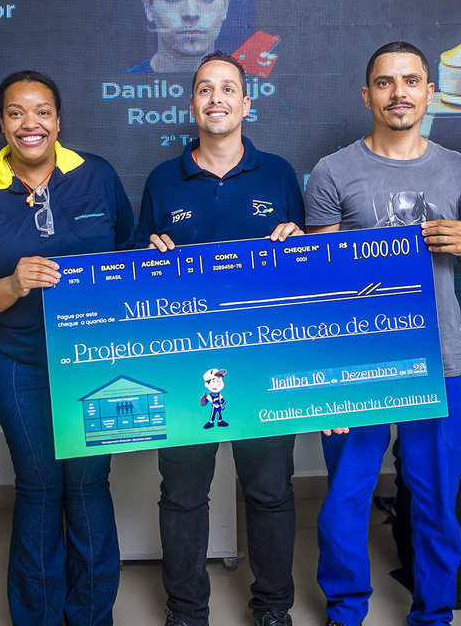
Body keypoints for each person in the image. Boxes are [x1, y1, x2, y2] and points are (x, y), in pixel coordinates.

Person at [305, 41, 461, 626]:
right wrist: (330, 379)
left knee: (436, 504)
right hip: (357, 365)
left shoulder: (460, 170)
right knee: (345, 499)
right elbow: (320, 279)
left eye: (411, 81)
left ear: (430, 92)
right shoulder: (332, 172)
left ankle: (434, 616)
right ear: (368, 95)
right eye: (385, 82)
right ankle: (345, 610)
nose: (398, 93)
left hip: (440, 360)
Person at [0, 70, 133, 626]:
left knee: (88, 487)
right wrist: (13, 284)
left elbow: (131, 255)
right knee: (39, 488)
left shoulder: (97, 175)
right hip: (21, 366)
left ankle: (92, 616)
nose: (30, 123)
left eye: (42, 111)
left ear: (58, 119)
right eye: (16, 112)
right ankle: (38, 617)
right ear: (0, 123)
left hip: (97, 365)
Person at [137, 51, 303, 626]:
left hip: (263, 359)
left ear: (246, 103)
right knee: (182, 493)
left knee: (270, 490)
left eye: (228, 88)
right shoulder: (162, 180)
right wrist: (149, 255)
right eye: (205, 89)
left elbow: (306, 274)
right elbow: (135, 277)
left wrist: (298, 242)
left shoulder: (279, 174)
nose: (216, 99)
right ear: (192, 104)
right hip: (185, 362)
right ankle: (186, 611)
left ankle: (273, 607)